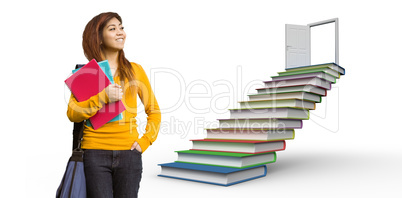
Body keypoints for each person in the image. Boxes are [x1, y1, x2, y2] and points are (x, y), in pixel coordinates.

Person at [67, 12, 161, 198]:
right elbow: (72, 113)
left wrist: (144, 142)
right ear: (99, 38)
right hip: (94, 153)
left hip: (129, 154)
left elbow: (154, 111)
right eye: (112, 28)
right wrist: (103, 97)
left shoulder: (135, 70)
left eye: (121, 27)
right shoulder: (86, 74)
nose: (120, 32)